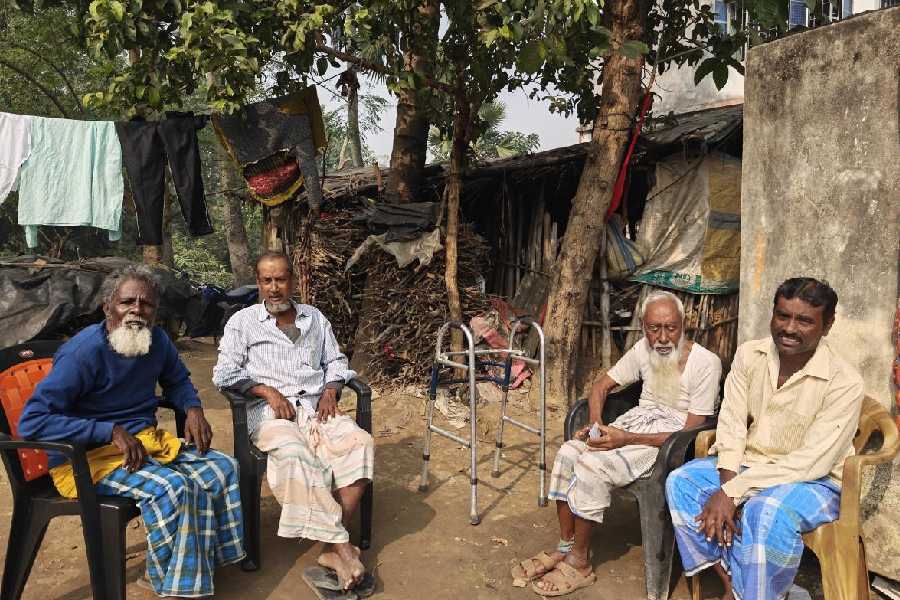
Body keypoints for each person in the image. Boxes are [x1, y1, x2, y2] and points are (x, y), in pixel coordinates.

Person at [18, 265, 245, 599]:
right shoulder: (84, 352)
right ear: (108, 307)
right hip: (86, 461)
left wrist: (192, 407)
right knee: (173, 487)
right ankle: (168, 581)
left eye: (146, 303)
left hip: (143, 445)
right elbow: (33, 421)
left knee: (223, 467)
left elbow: (177, 380)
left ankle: (202, 563)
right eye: (127, 302)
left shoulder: (157, 341)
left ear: (156, 311)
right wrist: (107, 431)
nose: (137, 309)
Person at [512, 290, 722, 597]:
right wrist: (598, 424)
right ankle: (565, 546)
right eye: (654, 329)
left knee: (592, 464)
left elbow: (692, 430)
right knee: (568, 452)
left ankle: (580, 563)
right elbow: (600, 387)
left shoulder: (706, 363)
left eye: (671, 328)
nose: (663, 338)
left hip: (669, 443)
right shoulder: (643, 349)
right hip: (635, 423)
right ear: (644, 326)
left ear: (683, 324)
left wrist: (627, 438)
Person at [666, 278, 864, 600]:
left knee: (766, 510)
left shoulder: (844, 381)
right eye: (782, 315)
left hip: (816, 480)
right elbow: (731, 423)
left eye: (804, 321)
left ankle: (755, 593)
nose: (789, 328)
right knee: (681, 482)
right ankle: (734, 586)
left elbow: (811, 462)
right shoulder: (749, 355)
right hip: (752, 464)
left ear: (827, 325)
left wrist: (733, 492)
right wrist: (729, 486)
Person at [212, 251, 374, 594]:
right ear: (258, 283)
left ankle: (331, 548)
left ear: (293, 280)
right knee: (294, 455)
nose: (274, 288)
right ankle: (343, 547)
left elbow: (336, 361)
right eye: (267, 281)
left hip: (316, 409)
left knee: (359, 442)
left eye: (281, 279)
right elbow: (223, 373)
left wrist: (331, 389)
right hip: (272, 415)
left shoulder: (315, 318)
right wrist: (265, 390)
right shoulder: (242, 322)